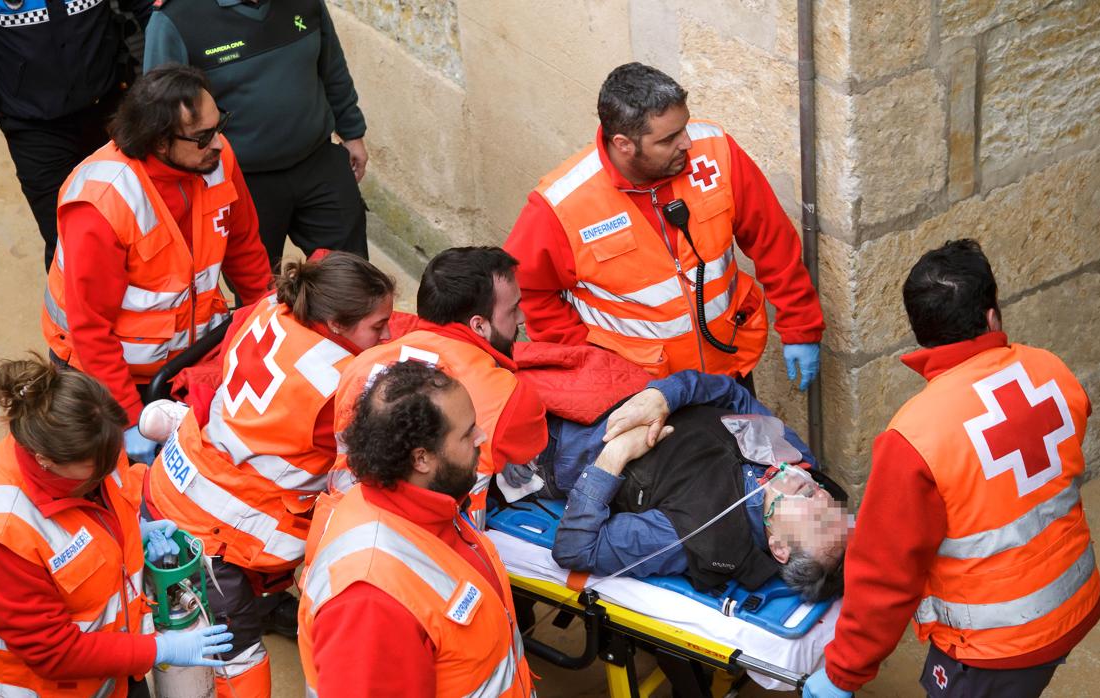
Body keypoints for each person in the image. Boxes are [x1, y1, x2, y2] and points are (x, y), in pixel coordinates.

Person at [804, 240, 1100, 698]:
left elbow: (885, 575)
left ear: (921, 332)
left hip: (994, 646)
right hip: (1074, 603)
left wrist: (843, 672)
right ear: (990, 315)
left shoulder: (916, 436)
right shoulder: (1050, 370)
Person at [145, 251, 395, 697]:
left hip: (174, 477)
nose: (388, 336)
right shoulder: (339, 386)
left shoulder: (271, 307)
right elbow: (353, 484)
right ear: (336, 323)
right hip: (211, 537)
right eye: (378, 327)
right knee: (235, 658)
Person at [504, 62, 824, 391]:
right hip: (639, 391)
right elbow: (523, 287)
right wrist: (587, 361)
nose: (687, 142)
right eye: (669, 138)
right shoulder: (562, 205)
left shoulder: (716, 150)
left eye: (684, 127)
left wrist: (800, 325)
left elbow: (773, 242)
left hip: (728, 368)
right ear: (624, 144)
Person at [0, 356, 233, 697]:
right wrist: (160, 650)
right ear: (46, 460)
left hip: (115, 670)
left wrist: (132, 534)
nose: (108, 470)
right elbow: (55, 653)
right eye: (94, 469)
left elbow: (94, 528)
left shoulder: (95, 446)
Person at [40, 64, 273, 465]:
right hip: (103, 376)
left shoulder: (214, 159)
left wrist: (270, 330)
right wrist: (131, 419)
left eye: (219, 126)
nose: (218, 143)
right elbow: (90, 328)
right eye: (202, 137)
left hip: (183, 361)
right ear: (161, 142)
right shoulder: (102, 202)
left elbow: (245, 249)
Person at [298, 361, 534, 697]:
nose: (481, 436)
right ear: (421, 459)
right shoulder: (370, 604)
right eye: (467, 433)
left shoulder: (425, 505)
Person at [537, 371, 846, 599]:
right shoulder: (799, 459)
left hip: (554, 442)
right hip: (607, 379)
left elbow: (575, 549)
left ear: (779, 547)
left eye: (817, 520)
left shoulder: (705, 539)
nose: (816, 495)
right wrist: (664, 396)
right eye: (830, 505)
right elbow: (732, 394)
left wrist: (615, 454)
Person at [143, 0, 370, 268]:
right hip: (242, 182)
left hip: (319, 163)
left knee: (353, 280)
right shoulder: (175, 18)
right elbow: (162, 116)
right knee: (259, 291)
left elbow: (332, 68)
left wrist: (352, 132)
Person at [333, 246, 547, 529]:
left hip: (343, 521)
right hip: (438, 540)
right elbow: (530, 451)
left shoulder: (361, 363)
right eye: (513, 309)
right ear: (478, 325)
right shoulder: (506, 394)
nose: (521, 318)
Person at [0, 0, 150, 270]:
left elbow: (148, 9)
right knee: (68, 243)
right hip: (34, 132)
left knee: (136, 224)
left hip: (111, 114)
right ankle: (71, 311)